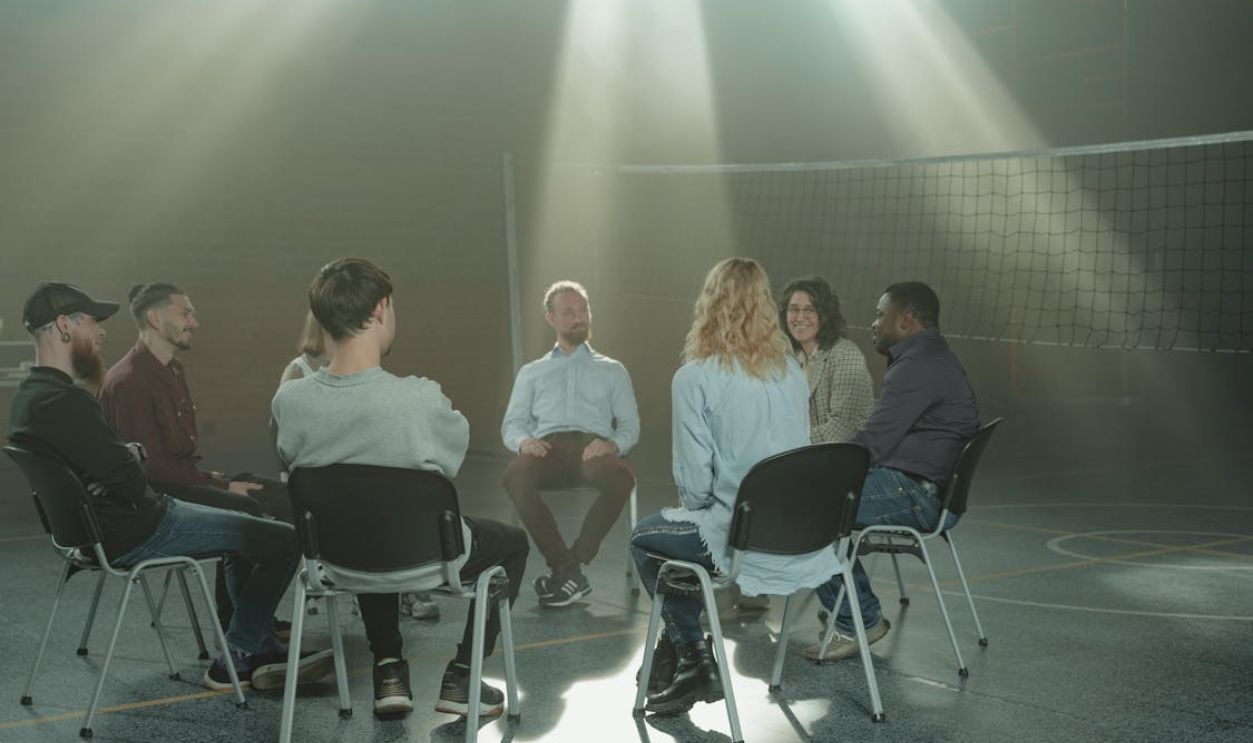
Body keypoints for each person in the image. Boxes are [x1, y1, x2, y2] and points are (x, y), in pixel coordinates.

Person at [7, 282, 334, 692]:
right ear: (63, 326)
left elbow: (114, 467)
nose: (101, 332)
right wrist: (126, 461)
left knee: (247, 523)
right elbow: (130, 481)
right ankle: (241, 652)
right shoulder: (68, 402)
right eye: (92, 322)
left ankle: (256, 642)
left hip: (101, 533)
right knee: (284, 541)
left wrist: (119, 460)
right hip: (143, 528)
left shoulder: (29, 400)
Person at [273, 258, 529, 719]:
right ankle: (464, 675)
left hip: (337, 560)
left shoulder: (291, 401)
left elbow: (289, 459)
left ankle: (388, 668)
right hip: (427, 557)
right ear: (381, 310)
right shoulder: (420, 398)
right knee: (511, 544)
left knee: (365, 525)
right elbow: (449, 460)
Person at [629, 258, 839, 716]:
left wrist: (703, 509)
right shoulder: (790, 372)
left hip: (741, 541)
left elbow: (696, 485)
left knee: (646, 540)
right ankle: (675, 658)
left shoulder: (695, 377)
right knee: (680, 546)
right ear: (766, 307)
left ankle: (694, 659)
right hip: (802, 539)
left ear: (709, 306)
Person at [805, 281, 979, 662]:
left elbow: (872, 445)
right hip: (922, 488)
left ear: (906, 318)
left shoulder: (917, 366)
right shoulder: (932, 357)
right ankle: (846, 606)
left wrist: (814, 470)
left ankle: (857, 619)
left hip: (914, 494)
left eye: (880, 315)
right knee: (817, 500)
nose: (873, 323)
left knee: (806, 512)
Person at [99, 282, 291, 522]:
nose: (194, 323)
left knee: (285, 495)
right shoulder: (129, 381)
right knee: (250, 506)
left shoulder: (174, 369)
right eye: (185, 314)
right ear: (155, 319)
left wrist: (216, 481)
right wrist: (220, 486)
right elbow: (151, 469)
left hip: (186, 481)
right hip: (160, 498)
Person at [500, 280, 640, 607]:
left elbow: (631, 426)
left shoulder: (613, 370)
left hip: (592, 450)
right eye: (568, 313)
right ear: (551, 318)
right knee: (514, 475)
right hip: (546, 448)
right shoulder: (532, 372)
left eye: (583, 311)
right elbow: (512, 424)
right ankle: (564, 567)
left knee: (622, 477)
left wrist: (612, 445)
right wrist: (524, 442)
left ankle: (571, 564)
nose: (579, 318)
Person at [779, 276, 874, 444]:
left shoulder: (847, 356)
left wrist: (783, 442)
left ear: (824, 315)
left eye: (809, 310)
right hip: (800, 455)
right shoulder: (787, 358)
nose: (800, 318)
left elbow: (841, 430)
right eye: (793, 309)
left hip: (839, 459)